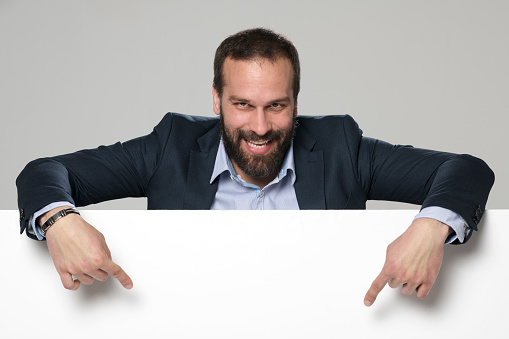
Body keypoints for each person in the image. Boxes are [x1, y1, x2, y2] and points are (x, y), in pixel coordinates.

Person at [16, 28, 494, 307]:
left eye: (277, 106)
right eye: (242, 104)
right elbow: (45, 171)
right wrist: (60, 219)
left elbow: (466, 169)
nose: (260, 127)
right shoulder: (170, 147)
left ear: (297, 103)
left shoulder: (340, 148)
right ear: (216, 99)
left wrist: (431, 226)